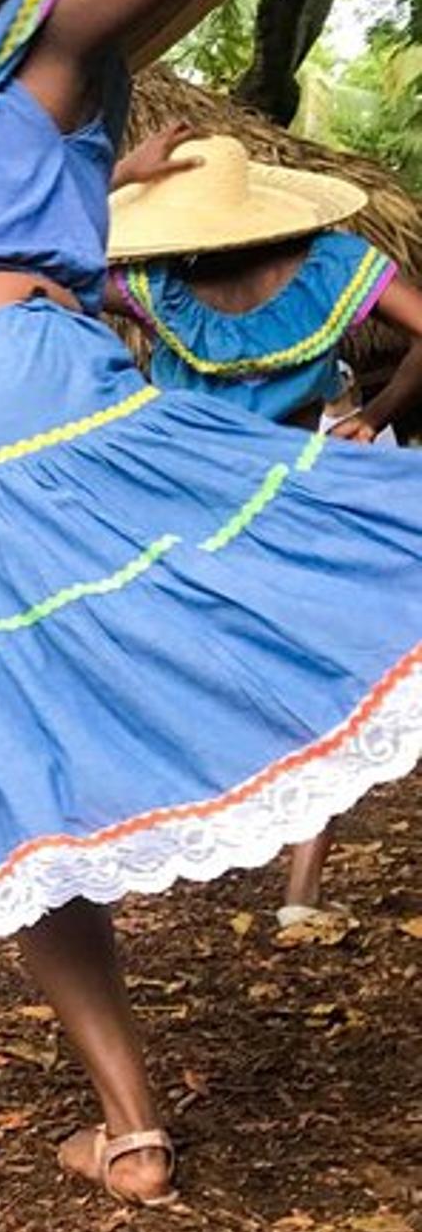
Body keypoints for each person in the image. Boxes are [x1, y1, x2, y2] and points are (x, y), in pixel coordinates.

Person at [0, 0, 422, 1205]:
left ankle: (127, 1131)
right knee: (332, 537)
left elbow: (3, 203)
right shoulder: (39, 47)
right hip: (1, 392)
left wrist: (106, 170)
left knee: (12, 773)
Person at [106, 131, 422, 926]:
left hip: (186, 512)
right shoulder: (335, 267)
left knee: (198, 677)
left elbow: (31, 256)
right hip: (301, 499)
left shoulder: (156, 286)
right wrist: (378, 414)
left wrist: (114, 175)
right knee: (330, 682)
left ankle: (181, 842)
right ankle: (300, 894)